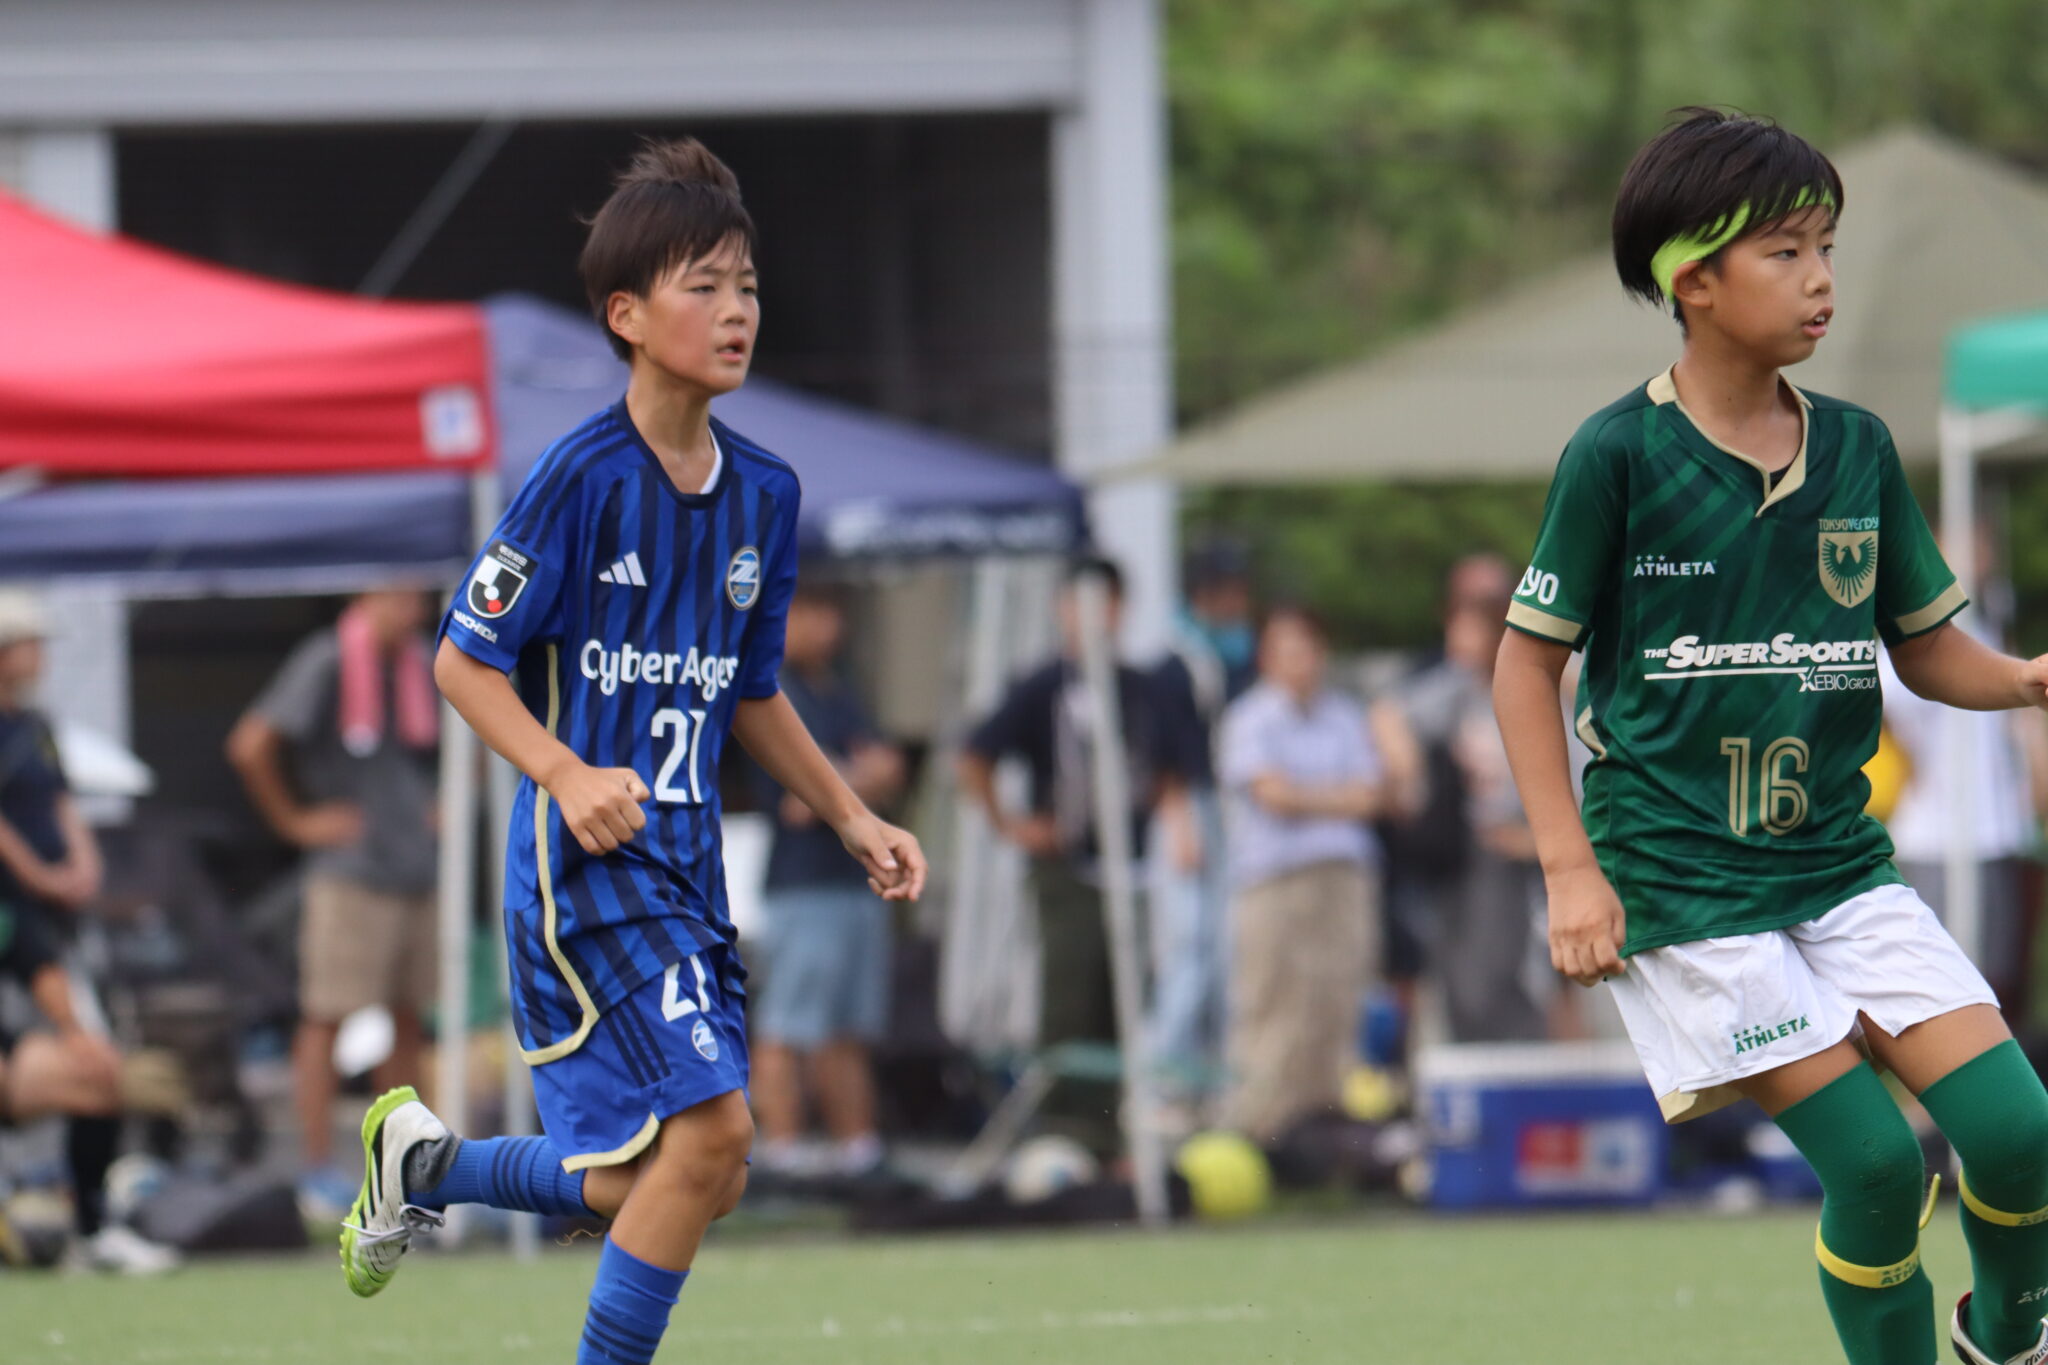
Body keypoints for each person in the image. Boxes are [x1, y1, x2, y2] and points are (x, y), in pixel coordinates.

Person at [339, 139, 926, 1365]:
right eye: (702, 287)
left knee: (696, 1177)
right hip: (586, 871)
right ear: (627, 316)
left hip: (688, 870)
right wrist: (562, 771)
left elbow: (749, 691)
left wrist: (850, 815)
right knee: (711, 1139)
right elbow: (462, 660)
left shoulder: (765, 494)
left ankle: (425, 1166)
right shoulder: (577, 478)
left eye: (746, 286)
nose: (736, 311)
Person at [1494, 108, 2048, 1365]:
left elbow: (1923, 648)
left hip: (1838, 865)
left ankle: (2009, 1338)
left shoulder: (1854, 447)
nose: (1819, 279)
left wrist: (2021, 681)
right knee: (1875, 1167)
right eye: (1785, 251)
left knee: (2017, 1133)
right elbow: (1522, 669)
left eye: (1825, 247)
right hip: (1683, 884)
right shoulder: (1617, 454)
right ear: (1693, 283)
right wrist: (1569, 871)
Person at [226, 587, 439, 1215]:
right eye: (402, 597)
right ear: (369, 594)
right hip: (349, 873)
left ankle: (409, 1167)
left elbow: (482, 734)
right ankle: (316, 1169)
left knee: (410, 1018)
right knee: (326, 1016)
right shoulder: (327, 658)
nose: (414, 612)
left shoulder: (424, 661)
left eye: (420, 599)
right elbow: (250, 744)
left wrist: (445, 804)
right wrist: (294, 822)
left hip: (417, 868)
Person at [0, 590, 177, 1273]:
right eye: (29, 643)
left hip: (46, 928)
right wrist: (36, 874)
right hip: (32, 912)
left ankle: (92, 1226)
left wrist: (77, 866)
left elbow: (60, 803)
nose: (40, 656)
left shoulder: (36, 726)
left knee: (102, 1069)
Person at [958, 558, 1194, 1055]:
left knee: (1126, 1005)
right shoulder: (1043, 684)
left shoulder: (1144, 688)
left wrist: (1178, 828)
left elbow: (1168, 769)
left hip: (1131, 869)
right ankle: (1064, 1102)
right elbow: (975, 754)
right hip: (1067, 869)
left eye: (1105, 603)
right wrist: (1010, 825)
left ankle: (1114, 1102)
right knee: (1070, 1001)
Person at [750, 582, 905, 1180]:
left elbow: (890, 767)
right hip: (801, 886)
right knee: (788, 1024)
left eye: (829, 613)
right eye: (809, 612)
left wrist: (848, 781)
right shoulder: (770, 692)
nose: (824, 627)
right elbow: (800, 802)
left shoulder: (838, 689)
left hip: (853, 881)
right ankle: (781, 1150)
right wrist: (856, 780)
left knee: (845, 1028)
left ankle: (857, 1150)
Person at [1216, 605, 1387, 1140]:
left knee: (1334, 1001)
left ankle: (1322, 1130)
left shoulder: (1345, 715)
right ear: (1267, 658)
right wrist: (1332, 799)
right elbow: (1272, 796)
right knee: (1273, 1002)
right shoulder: (1250, 718)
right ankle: (1259, 1127)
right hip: (1275, 879)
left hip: (1342, 878)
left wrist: (1304, 796)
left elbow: (1368, 798)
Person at [1388, 556, 1548, 1043]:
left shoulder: (1541, 684)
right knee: (1459, 979)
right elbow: (1390, 714)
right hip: (1462, 852)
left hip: (1522, 855)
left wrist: (1534, 839)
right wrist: (1408, 773)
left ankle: (1523, 1070)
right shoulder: (1455, 688)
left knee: (1498, 980)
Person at [1147, 541, 1255, 1110]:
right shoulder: (1174, 665)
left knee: (1226, 952)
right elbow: (1162, 757)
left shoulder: (1238, 660)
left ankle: (1212, 1079)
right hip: (1188, 809)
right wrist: (1179, 820)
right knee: (1189, 948)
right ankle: (1166, 1078)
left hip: (1229, 810)